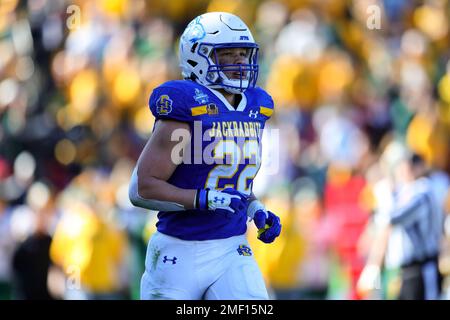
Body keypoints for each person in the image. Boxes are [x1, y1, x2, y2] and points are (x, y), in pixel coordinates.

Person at [128, 12, 282, 300]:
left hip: (231, 247)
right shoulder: (188, 105)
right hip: (179, 250)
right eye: (228, 55)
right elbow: (142, 189)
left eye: (243, 54)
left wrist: (255, 209)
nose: (239, 63)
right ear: (198, 57)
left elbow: (231, 186)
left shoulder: (255, 107)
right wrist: (204, 199)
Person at [358, 146, 444, 300]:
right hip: (406, 271)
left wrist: (385, 195)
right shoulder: (407, 192)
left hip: (422, 268)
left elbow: (393, 217)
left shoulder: (423, 190)